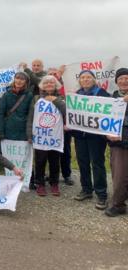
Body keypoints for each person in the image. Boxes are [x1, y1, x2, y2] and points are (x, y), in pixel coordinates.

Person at [71, 70, 110, 210]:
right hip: (80, 135)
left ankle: (101, 194)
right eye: (82, 77)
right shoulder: (76, 95)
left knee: (97, 164)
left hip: (96, 137)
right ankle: (86, 189)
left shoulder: (102, 93)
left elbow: (110, 112)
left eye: (88, 77)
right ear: (79, 80)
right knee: (83, 162)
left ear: (94, 79)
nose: (85, 79)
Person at [26, 75, 66, 196]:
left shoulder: (61, 98)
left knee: (54, 161)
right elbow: (30, 117)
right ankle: (40, 184)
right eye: (46, 83)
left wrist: (54, 100)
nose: (49, 85)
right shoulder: (36, 98)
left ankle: (54, 184)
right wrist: (29, 134)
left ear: (56, 86)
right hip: (40, 136)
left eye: (51, 83)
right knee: (40, 160)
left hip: (55, 136)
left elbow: (66, 111)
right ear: (42, 85)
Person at [105, 68, 128, 217]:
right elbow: (103, 119)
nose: (124, 81)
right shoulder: (112, 98)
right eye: (120, 79)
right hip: (118, 145)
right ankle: (118, 204)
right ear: (116, 81)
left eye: (127, 78)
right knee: (119, 175)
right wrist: (107, 134)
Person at [47, 67, 74, 185]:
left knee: (65, 152)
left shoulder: (67, 87)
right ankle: (52, 174)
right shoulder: (42, 91)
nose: (53, 76)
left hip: (64, 127)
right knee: (50, 152)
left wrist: (67, 123)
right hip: (49, 128)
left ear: (59, 75)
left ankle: (66, 174)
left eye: (55, 73)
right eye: (50, 74)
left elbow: (71, 107)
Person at [0, 71, 34, 142]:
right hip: (7, 128)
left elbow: (30, 115)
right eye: (17, 78)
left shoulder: (29, 95)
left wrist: (29, 134)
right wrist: (0, 131)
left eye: (22, 79)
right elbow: (0, 113)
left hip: (22, 130)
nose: (19, 81)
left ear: (26, 82)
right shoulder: (7, 94)